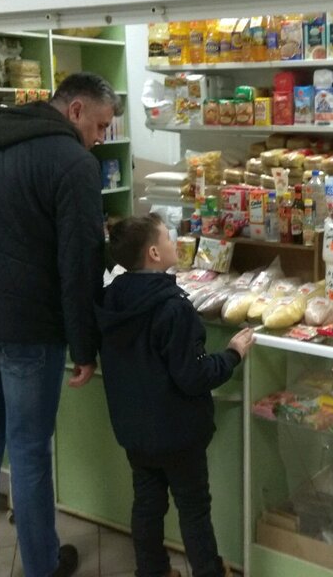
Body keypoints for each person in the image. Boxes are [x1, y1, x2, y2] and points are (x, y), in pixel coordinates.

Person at [0, 73, 121, 577]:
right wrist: (84, 346)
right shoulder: (73, 163)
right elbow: (79, 263)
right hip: (28, 331)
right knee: (29, 452)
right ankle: (42, 567)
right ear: (76, 110)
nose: (100, 138)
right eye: (100, 125)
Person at [97, 215, 254, 577]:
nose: (175, 243)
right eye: (169, 238)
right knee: (194, 507)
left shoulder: (112, 299)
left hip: (134, 430)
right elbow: (194, 375)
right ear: (154, 253)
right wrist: (232, 354)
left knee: (147, 503)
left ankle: (152, 570)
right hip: (178, 431)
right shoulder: (172, 307)